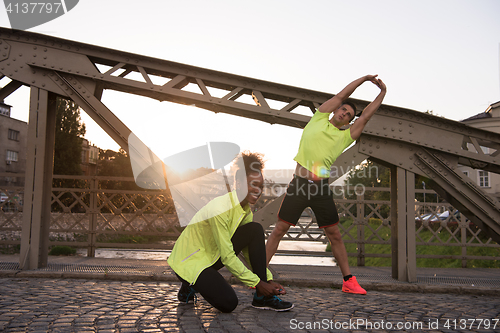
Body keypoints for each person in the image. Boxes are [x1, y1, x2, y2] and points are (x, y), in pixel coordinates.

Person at [265, 75, 387, 295]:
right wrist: (364, 80)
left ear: (349, 120)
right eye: (342, 110)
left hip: (321, 189)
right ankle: (258, 274)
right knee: (279, 230)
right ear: (334, 110)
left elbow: (366, 117)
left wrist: (382, 93)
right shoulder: (318, 118)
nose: (344, 113)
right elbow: (342, 95)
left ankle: (349, 281)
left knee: (335, 235)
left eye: (348, 114)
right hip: (300, 185)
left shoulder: (345, 136)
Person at [167, 152, 294, 312]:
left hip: (211, 256)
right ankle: (188, 284)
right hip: (190, 261)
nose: (258, 190)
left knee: (255, 230)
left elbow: (248, 253)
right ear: (238, 184)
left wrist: (266, 280)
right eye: (252, 184)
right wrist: (257, 283)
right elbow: (227, 256)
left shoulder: (245, 210)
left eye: (260, 186)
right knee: (228, 303)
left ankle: (262, 298)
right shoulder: (220, 209)